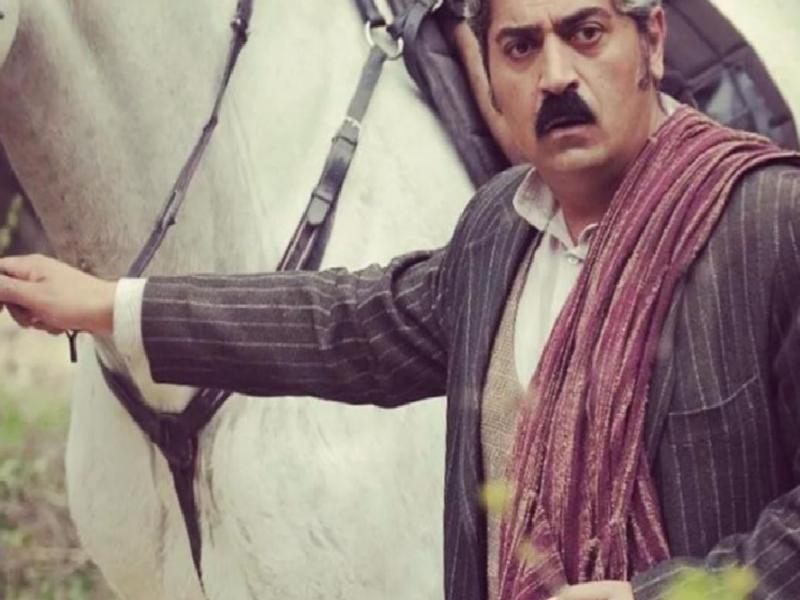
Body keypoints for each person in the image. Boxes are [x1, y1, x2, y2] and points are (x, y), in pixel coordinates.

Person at [1, 0, 799, 598]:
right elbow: (347, 323)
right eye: (520, 47)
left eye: (586, 33)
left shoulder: (770, 223)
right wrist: (110, 307)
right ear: (490, 73)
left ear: (652, 39)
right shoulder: (498, 234)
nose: (556, 76)